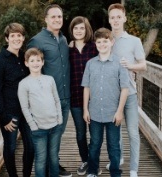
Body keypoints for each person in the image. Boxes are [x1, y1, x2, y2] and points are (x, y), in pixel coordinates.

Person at [27, 4, 72, 177]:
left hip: (65, 98)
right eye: (53, 17)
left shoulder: (63, 39)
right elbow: (30, 69)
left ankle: (54, 164)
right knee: (45, 139)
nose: (56, 19)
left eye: (59, 16)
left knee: (57, 137)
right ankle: (45, 170)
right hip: (47, 101)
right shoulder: (37, 41)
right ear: (45, 19)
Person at [82, 27, 130, 177]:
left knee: (114, 146)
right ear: (95, 44)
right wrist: (85, 109)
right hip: (94, 113)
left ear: (111, 42)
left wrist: (120, 111)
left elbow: (125, 89)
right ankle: (92, 171)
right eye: (99, 42)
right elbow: (87, 88)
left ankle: (115, 172)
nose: (102, 44)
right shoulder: (90, 63)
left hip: (113, 114)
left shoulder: (119, 63)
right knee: (95, 144)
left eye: (105, 41)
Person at [106, 3, 147, 177]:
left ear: (124, 18)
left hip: (129, 94)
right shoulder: (105, 40)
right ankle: (119, 158)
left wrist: (130, 66)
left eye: (118, 16)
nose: (116, 20)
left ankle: (133, 168)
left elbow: (143, 65)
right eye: (112, 17)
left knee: (132, 132)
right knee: (116, 130)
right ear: (109, 20)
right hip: (111, 94)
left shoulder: (134, 41)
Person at [0, 23, 34, 177]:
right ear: (7, 39)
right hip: (10, 113)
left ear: (23, 38)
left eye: (19, 35)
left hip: (27, 112)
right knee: (10, 148)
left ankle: (26, 174)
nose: (16, 38)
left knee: (31, 146)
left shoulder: (25, 57)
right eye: (13, 36)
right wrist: (4, 118)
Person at [18, 48, 63, 177]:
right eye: (32, 60)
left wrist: (59, 118)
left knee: (54, 157)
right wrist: (33, 125)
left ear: (43, 62)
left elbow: (56, 100)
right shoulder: (24, 84)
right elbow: (25, 107)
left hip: (55, 126)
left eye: (38, 60)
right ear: (26, 63)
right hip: (39, 129)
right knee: (41, 159)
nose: (35, 63)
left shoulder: (50, 79)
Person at [68, 16, 99, 176]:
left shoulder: (94, 48)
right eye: (75, 28)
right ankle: (85, 160)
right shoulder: (68, 49)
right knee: (80, 133)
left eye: (82, 28)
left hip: (94, 98)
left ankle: (94, 163)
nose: (79, 31)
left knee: (95, 134)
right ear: (72, 30)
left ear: (87, 30)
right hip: (76, 98)